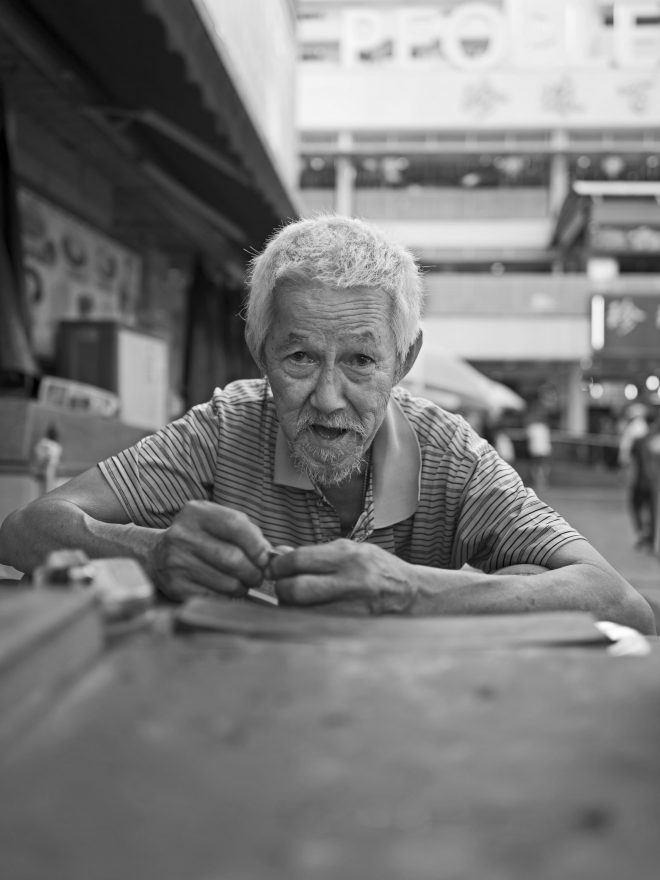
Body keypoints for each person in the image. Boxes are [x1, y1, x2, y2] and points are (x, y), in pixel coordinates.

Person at [0, 216, 654, 633]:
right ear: (261, 354)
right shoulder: (223, 430)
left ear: (405, 362)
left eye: (362, 361)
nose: (329, 399)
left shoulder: (451, 455)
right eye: (301, 358)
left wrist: (412, 590)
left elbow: (621, 602)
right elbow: (26, 530)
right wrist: (150, 553)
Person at [525, 411, 552, 492]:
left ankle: (541, 482)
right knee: (539, 466)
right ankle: (539, 482)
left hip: (540, 449)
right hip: (538, 449)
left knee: (540, 466)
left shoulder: (535, 427)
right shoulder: (538, 427)